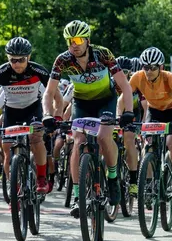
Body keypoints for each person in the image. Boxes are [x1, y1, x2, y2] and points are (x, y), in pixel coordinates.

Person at [42, 20, 134, 219]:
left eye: (77, 40)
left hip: (105, 101)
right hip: (81, 103)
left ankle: (112, 177)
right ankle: (77, 195)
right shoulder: (63, 60)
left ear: (88, 41)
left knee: (103, 137)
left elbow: (125, 86)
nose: (73, 45)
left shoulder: (103, 54)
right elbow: (49, 92)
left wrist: (128, 111)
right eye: (69, 41)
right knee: (78, 142)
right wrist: (47, 114)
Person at [128, 47, 172, 200]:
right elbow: (124, 98)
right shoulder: (137, 77)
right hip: (154, 113)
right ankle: (147, 183)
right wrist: (120, 115)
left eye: (153, 67)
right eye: (145, 67)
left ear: (160, 67)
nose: (149, 71)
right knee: (148, 146)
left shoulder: (170, 78)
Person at [0, 37, 52, 194]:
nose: (17, 64)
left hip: (33, 110)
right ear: (8, 58)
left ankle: (41, 178)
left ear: (29, 57)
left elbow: (53, 95)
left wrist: (52, 116)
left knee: (36, 139)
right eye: (13, 60)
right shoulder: (1, 73)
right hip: (11, 113)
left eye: (21, 60)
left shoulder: (38, 71)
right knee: (6, 149)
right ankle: (12, 186)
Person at [115, 56, 147, 197]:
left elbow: (146, 107)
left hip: (134, 114)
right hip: (115, 114)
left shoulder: (135, 85)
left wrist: (144, 126)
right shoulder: (110, 83)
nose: (122, 73)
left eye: (126, 71)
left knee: (128, 139)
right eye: (118, 70)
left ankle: (133, 181)